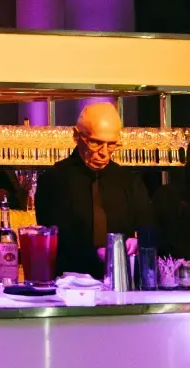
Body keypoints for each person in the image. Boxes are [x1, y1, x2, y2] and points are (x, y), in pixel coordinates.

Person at [33, 100, 154, 279]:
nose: (104, 152)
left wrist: (137, 241)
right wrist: (94, 253)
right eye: (96, 143)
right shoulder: (54, 179)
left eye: (111, 144)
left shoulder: (128, 180)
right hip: (70, 281)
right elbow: (52, 238)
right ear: (76, 136)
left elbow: (148, 226)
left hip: (120, 279)